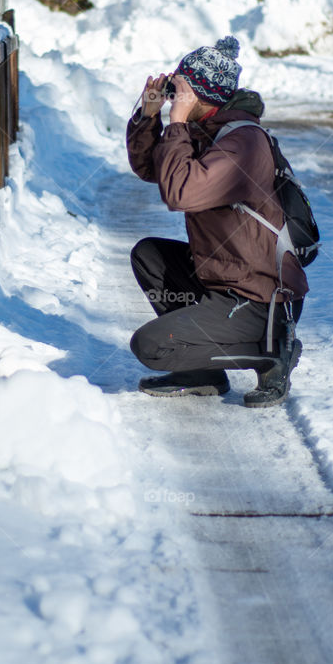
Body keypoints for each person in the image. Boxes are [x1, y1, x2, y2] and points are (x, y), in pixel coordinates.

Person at [126, 36, 307, 408]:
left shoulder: (244, 143)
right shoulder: (207, 131)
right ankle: (201, 370)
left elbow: (180, 193)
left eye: (180, 88)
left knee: (151, 346)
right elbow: (153, 169)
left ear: (201, 94)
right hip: (223, 280)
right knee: (150, 254)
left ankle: (272, 352)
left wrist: (176, 121)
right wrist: (149, 115)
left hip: (259, 299)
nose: (174, 94)